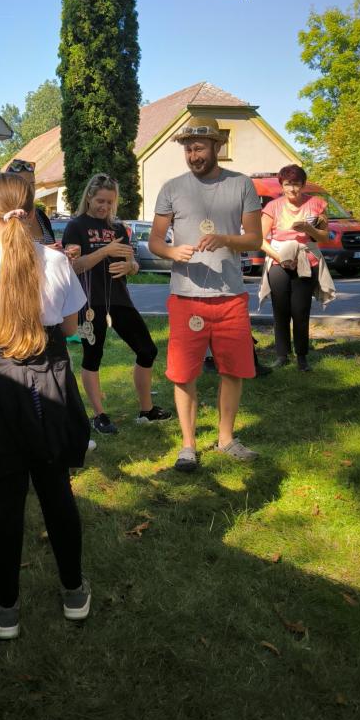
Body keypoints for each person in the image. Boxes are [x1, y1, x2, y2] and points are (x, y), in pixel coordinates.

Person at [0, 173, 91, 639]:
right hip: (49, 377)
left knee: (6, 499)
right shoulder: (57, 262)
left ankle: (7, 608)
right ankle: (74, 591)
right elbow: (69, 327)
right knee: (56, 490)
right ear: (31, 215)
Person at [148, 119, 262, 473]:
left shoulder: (241, 184)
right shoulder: (171, 188)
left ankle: (226, 438)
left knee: (234, 370)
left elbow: (255, 239)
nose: (193, 155)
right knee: (183, 374)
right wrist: (171, 252)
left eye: (199, 148)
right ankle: (188, 446)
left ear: (216, 146)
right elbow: (155, 241)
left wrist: (225, 239)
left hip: (230, 296)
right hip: (186, 296)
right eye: (188, 150)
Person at [62, 174, 171, 435]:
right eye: (100, 201)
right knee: (93, 356)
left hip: (120, 299)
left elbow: (133, 263)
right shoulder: (76, 226)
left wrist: (130, 267)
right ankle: (99, 415)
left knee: (147, 350)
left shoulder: (119, 228)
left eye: (110, 202)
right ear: (89, 197)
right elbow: (73, 267)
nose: (105, 207)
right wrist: (104, 251)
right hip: (90, 301)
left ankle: (146, 410)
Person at [259, 164, 333, 372]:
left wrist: (308, 228)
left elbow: (324, 237)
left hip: (306, 261)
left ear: (303, 184)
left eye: (296, 184)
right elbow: (259, 239)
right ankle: (282, 355)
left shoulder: (317, 204)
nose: (292, 189)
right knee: (280, 310)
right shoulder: (272, 207)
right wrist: (281, 258)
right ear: (281, 185)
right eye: (288, 184)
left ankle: (302, 357)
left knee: (301, 310)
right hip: (278, 261)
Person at [0, 159, 56, 247]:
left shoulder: (40, 215)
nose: (30, 189)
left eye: (32, 184)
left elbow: (53, 242)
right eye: (24, 185)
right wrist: (44, 251)